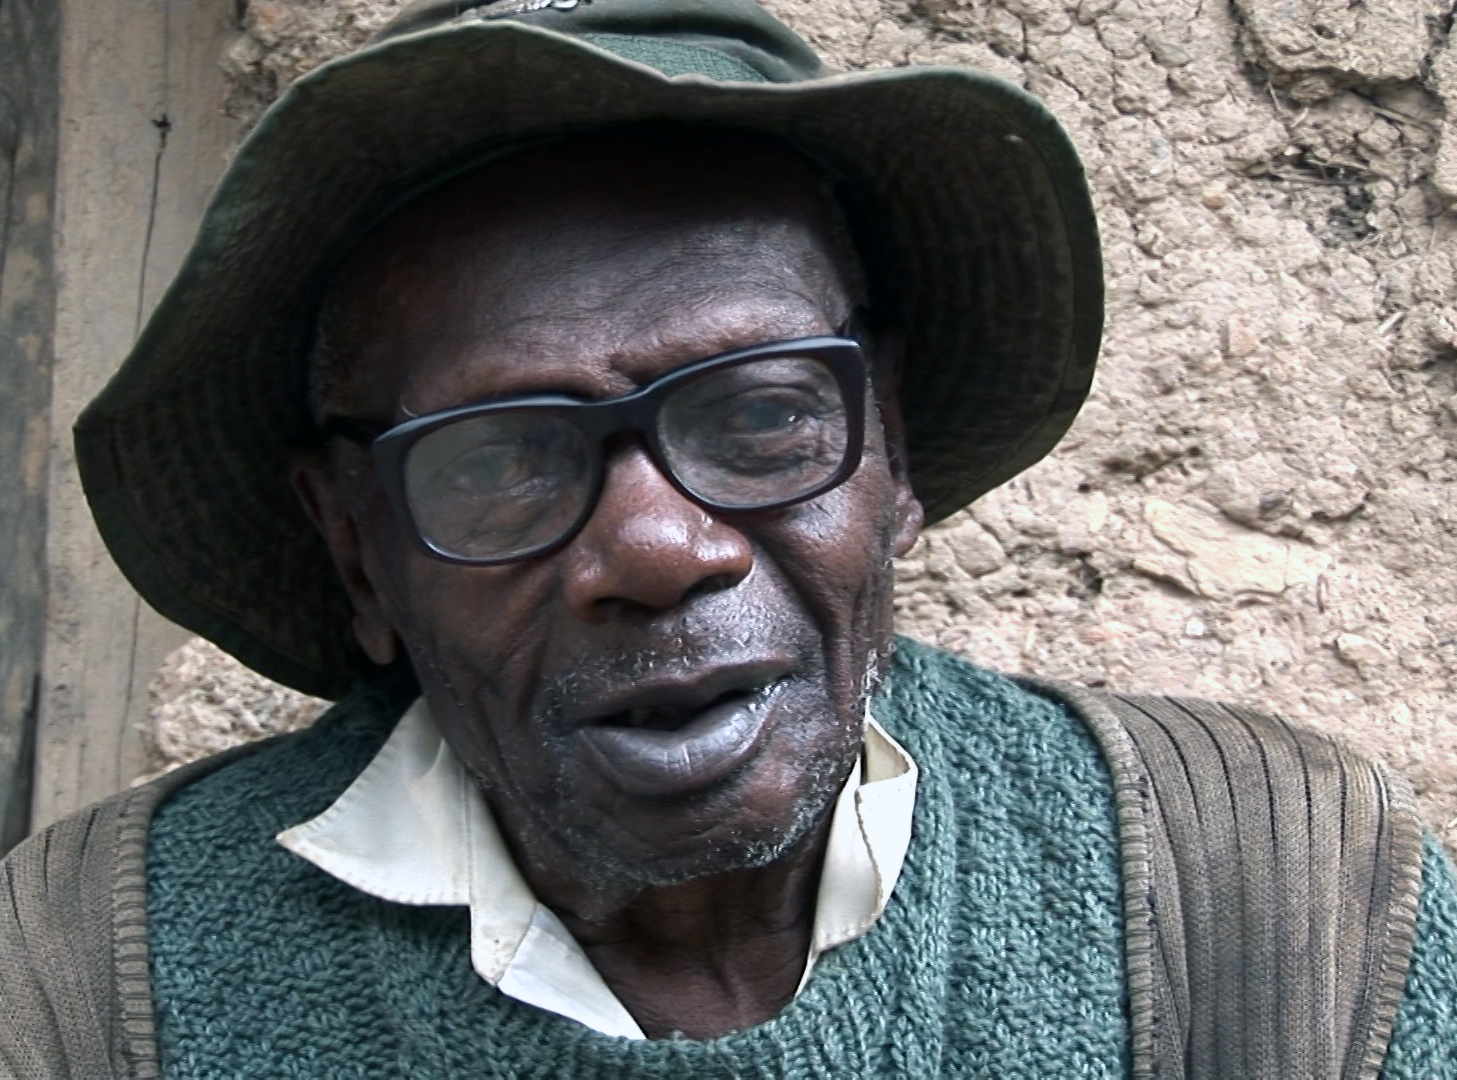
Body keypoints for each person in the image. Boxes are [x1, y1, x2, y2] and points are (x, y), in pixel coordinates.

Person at [2, 0, 1454, 1076]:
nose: (657, 548)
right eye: (503, 459)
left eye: (760, 417)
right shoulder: (73, 997)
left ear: (889, 445)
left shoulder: (1292, 905)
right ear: (357, 550)